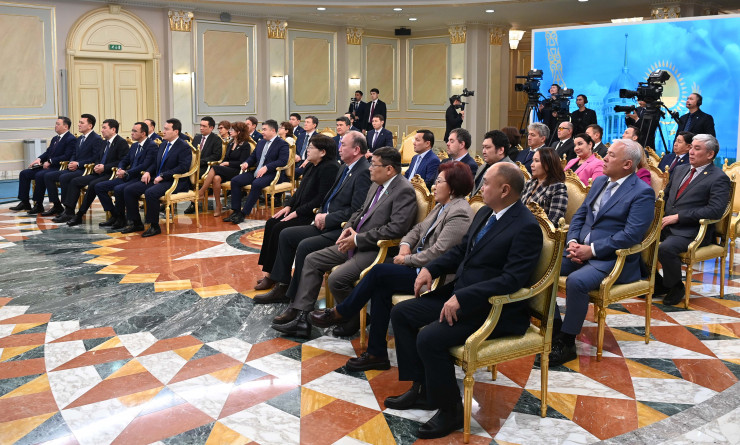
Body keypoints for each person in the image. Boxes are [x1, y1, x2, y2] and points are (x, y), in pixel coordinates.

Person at [387, 162, 542, 440]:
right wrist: (431, 269)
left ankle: (451, 411)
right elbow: (461, 251)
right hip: (461, 296)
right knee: (402, 314)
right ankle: (422, 389)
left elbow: (511, 280)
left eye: (487, 183)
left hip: (493, 308)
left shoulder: (526, 227)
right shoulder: (485, 212)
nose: (481, 188)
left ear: (505, 190)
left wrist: (464, 296)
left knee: (430, 338)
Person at [309, 161, 475, 371]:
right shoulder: (442, 206)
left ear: (452, 187)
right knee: (381, 287)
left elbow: (439, 252)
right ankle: (376, 354)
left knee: (379, 272)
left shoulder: (459, 212)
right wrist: (404, 246)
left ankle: (343, 312)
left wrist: (407, 259)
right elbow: (417, 230)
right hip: (416, 266)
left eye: (439, 182)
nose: (434, 186)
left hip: (433, 276)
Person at [271, 146, 418, 338]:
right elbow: (360, 211)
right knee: (312, 259)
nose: (370, 168)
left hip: (376, 249)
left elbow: (395, 229)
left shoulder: (403, 190)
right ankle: (301, 320)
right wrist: (348, 228)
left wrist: (357, 239)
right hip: (355, 239)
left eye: (374, 165)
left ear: (389, 169)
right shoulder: (377, 183)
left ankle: (353, 317)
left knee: (336, 279)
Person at [550, 138, 655, 367]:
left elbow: (631, 235)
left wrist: (592, 250)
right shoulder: (599, 182)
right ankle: (556, 328)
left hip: (614, 258)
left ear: (627, 164)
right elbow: (580, 215)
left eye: (611, 155)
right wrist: (573, 241)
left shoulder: (642, 193)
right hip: (580, 250)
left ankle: (567, 342)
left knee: (577, 282)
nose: (604, 158)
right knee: (543, 268)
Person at [254, 131, 371, 310]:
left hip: (339, 228)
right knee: (285, 234)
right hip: (322, 219)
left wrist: (326, 217)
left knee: (304, 245)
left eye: (343, 145)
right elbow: (327, 198)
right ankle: (282, 284)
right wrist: (319, 213)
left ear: (356, 150)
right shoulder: (344, 167)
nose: (339, 148)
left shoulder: (361, 171)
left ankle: (295, 298)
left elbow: (356, 211)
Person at [256, 135, 340, 291]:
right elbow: (299, 191)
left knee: (279, 228)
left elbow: (321, 198)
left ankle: (277, 277)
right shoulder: (311, 165)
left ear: (322, 152)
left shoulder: (330, 168)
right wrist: (288, 206)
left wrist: (297, 212)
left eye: (311, 148)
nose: (307, 150)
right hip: (299, 210)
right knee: (271, 223)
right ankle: (269, 273)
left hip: (311, 214)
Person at [655, 134, 730, 306]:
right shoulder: (680, 170)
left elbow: (715, 211)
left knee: (666, 248)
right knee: (636, 239)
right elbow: (666, 196)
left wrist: (679, 217)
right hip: (666, 224)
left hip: (692, 230)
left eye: (697, 148)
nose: (691, 152)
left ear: (710, 154)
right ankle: (659, 283)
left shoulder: (718, 177)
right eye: (691, 147)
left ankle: (675, 286)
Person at [120, 118, 193, 237]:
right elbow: (155, 162)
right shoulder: (163, 144)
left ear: (176, 132)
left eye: (166, 129)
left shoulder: (183, 146)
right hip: (158, 178)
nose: (163, 132)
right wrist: (148, 172)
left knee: (151, 192)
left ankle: (154, 226)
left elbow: (183, 168)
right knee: (129, 190)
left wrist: (163, 176)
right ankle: (136, 223)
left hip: (175, 181)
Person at [59, 118, 129, 226]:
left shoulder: (121, 142)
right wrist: (97, 165)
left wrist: (104, 167)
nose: (101, 130)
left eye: (104, 128)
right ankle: (69, 210)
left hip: (111, 174)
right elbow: (97, 158)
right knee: (75, 181)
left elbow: (122, 161)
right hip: (99, 172)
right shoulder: (104, 142)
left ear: (113, 129)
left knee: (93, 185)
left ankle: (81, 214)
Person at [222, 119, 289, 224]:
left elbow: (283, 161)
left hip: (272, 174)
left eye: (264, 129)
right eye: (262, 129)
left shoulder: (282, 144)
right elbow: (253, 157)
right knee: (235, 181)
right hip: (256, 172)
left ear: (273, 130)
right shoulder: (261, 142)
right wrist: (247, 163)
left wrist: (267, 167)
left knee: (256, 184)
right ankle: (236, 211)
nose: (262, 132)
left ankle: (243, 213)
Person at [96, 122, 158, 229]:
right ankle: (116, 215)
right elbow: (125, 160)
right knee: (99, 186)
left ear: (143, 133)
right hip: (128, 176)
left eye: (135, 131)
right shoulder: (134, 145)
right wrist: (120, 168)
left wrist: (127, 172)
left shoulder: (151, 146)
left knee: (119, 189)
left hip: (140, 177)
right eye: (132, 130)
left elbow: (145, 165)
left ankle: (129, 220)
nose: (132, 133)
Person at [38, 115, 101, 217]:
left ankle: (68, 209)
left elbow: (95, 158)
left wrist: (78, 164)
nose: (79, 125)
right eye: (79, 122)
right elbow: (74, 154)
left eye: (82, 123)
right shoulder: (79, 138)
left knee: (64, 177)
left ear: (90, 126)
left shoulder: (96, 139)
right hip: (74, 168)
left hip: (85, 169)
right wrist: (71, 162)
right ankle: (57, 205)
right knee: (48, 176)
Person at [11, 117, 77, 214]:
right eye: (56, 123)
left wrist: (50, 161)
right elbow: (48, 152)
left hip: (58, 167)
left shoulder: (71, 139)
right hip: (48, 166)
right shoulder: (55, 138)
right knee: (24, 173)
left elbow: (67, 156)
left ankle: (39, 204)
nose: (55, 126)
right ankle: (25, 202)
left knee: (40, 175)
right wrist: (39, 159)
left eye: (58, 124)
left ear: (66, 126)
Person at [197, 121, 252, 217]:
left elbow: (242, 162)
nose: (230, 131)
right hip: (227, 170)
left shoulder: (245, 145)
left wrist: (228, 163)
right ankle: (218, 206)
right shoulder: (230, 143)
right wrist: (223, 163)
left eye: (232, 129)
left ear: (239, 132)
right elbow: (226, 158)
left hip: (237, 171)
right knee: (216, 178)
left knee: (214, 168)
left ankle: (201, 192)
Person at [185, 116, 223, 214]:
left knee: (193, 175)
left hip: (206, 166)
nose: (201, 128)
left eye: (204, 126)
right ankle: (189, 200)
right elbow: (192, 152)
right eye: (200, 126)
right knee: (182, 173)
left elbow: (216, 156)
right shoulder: (197, 138)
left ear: (211, 128)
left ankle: (195, 200)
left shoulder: (216, 139)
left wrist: (200, 162)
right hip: (194, 166)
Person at [522, 147, 568, 225]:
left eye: (536, 161)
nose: (531, 165)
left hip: (538, 230)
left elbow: (554, 221)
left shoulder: (558, 188)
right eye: (533, 161)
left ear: (548, 164)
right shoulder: (530, 182)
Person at [470, 130, 513, 197]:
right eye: (483, 147)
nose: (483, 151)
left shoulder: (511, 171)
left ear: (501, 150)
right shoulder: (482, 166)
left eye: (487, 147)